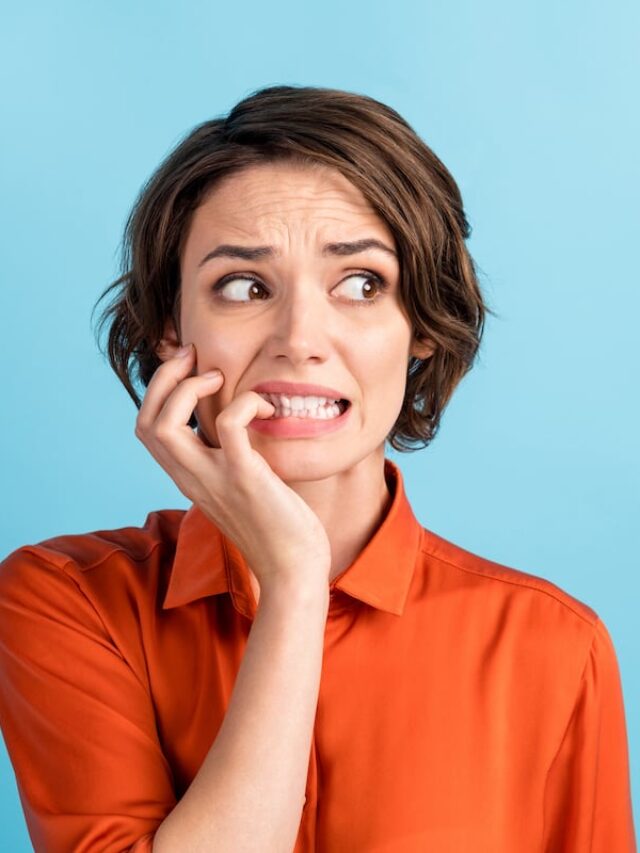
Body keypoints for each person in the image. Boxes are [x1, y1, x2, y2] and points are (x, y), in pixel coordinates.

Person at [0, 84, 635, 852]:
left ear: (421, 326)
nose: (300, 337)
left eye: (362, 284)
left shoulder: (552, 645)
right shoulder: (69, 601)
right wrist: (295, 584)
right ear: (172, 331)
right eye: (244, 286)